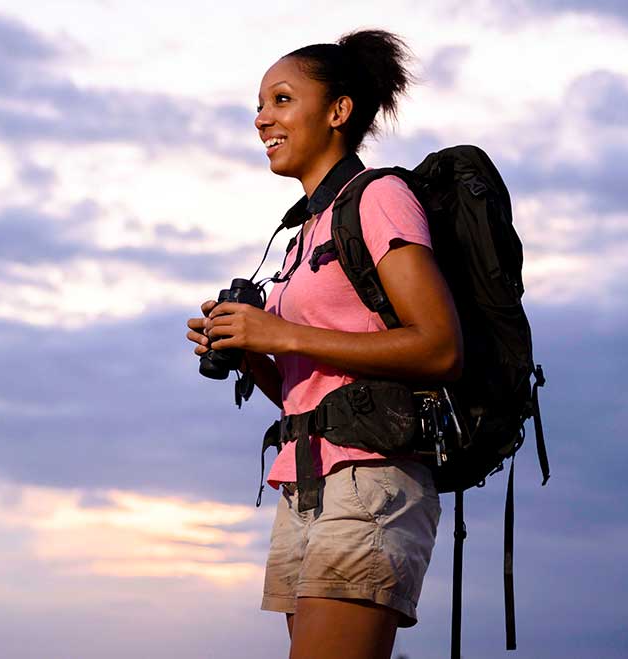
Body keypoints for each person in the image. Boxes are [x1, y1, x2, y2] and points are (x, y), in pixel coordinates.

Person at [185, 30, 463, 659]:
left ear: (338, 112)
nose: (262, 119)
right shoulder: (301, 234)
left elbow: (441, 348)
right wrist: (250, 350)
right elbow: (307, 388)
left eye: (282, 100)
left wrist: (281, 331)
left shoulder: (380, 199)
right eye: (259, 105)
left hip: (372, 479)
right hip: (304, 481)